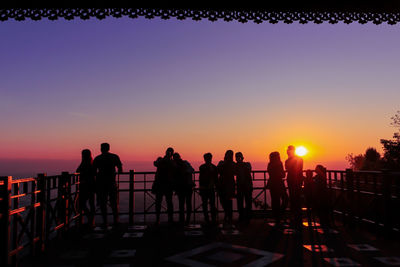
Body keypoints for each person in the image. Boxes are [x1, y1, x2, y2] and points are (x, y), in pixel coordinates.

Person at [93, 143, 122, 228]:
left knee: (103, 203)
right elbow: (120, 169)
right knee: (113, 202)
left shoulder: (97, 158)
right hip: (112, 182)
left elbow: (94, 172)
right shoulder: (114, 157)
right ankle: (116, 221)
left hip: (101, 183)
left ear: (101, 149)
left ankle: (105, 222)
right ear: (109, 148)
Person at [152, 147, 176, 224]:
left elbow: (156, 164)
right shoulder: (166, 161)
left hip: (163, 184)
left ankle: (160, 219)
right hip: (165, 184)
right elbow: (156, 164)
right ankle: (167, 219)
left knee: (164, 202)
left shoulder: (170, 161)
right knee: (164, 202)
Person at [285, 145, 304, 230]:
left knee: (293, 198)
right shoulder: (300, 159)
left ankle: (294, 217)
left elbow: (288, 169)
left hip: (292, 180)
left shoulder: (288, 160)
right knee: (297, 198)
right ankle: (298, 217)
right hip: (297, 180)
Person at [173, 153, 195, 225]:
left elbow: (192, 170)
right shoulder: (184, 163)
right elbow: (192, 170)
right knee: (186, 204)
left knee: (182, 204)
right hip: (187, 186)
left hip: (182, 187)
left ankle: (183, 220)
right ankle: (186, 220)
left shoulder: (175, 165)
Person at [267, 151, 288, 226]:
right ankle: (280, 215)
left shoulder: (270, 164)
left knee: (275, 201)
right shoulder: (279, 164)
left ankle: (277, 217)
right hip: (279, 183)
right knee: (285, 199)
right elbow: (282, 175)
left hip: (272, 184)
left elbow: (271, 174)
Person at [76, 149, 96, 227]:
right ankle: (91, 221)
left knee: (81, 204)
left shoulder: (84, 164)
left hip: (85, 186)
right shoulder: (91, 163)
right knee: (91, 203)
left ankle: (89, 219)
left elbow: (78, 171)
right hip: (92, 185)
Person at [217, 150, 236, 228]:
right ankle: (228, 216)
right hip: (224, 184)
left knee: (228, 201)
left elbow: (235, 172)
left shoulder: (232, 164)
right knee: (224, 201)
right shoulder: (222, 163)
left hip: (228, 184)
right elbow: (218, 170)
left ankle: (228, 217)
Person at [199, 153, 218, 225]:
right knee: (211, 204)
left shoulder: (202, 167)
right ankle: (212, 219)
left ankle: (208, 219)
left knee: (205, 205)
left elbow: (201, 179)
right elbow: (216, 179)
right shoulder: (214, 167)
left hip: (205, 188)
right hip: (210, 188)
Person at [235, 152, 253, 222]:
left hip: (245, 186)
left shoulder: (246, 164)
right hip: (243, 186)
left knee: (245, 202)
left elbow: (248, 169)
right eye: (237, 157)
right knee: (242, 202)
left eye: (239, 157)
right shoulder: (245, 165)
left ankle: (245, 216)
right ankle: (243, 216)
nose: (238, 159)